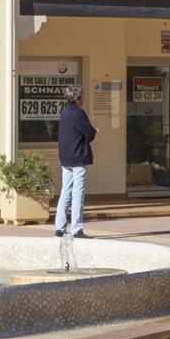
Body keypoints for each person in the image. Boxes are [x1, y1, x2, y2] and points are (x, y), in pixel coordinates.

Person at [55, 87, 96, 237]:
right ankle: (76, 229)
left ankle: (59, 228)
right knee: (78, 194)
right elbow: (89, 135)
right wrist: (93, 131)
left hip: (66, 158)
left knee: (65, 191)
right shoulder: (79, 113)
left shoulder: (64, 112)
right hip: (78, 157)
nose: (84, 97)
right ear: (78, 98)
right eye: (83, 95)